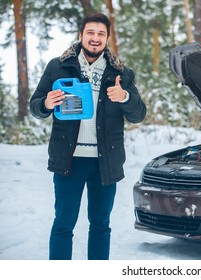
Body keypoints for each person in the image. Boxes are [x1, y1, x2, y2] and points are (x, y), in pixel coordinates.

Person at [30, 12, 147, 260]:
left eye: (101, 34)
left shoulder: (121, 73)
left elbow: (139, 114)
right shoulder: (58, 66)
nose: (95, 38)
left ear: (107, 38)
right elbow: (35, 106)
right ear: (81, 35)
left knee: (100, 225)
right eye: (91, 33)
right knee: (63, 224)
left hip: (105, 162)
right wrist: (46, 103)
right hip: (69, 160)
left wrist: (124, 97)